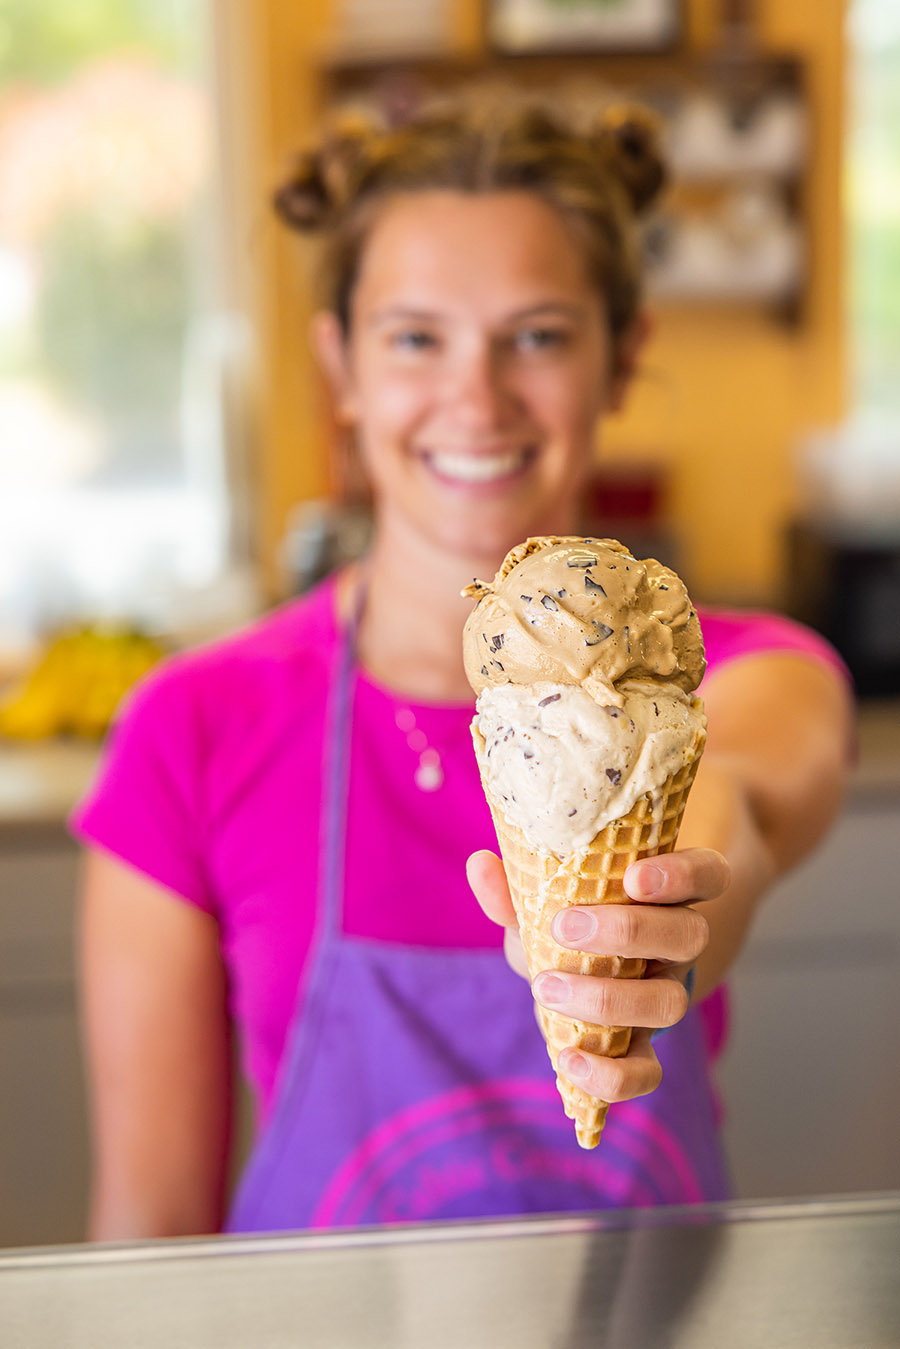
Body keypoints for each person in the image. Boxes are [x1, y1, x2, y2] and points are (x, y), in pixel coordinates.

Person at [73, 89, 853, 1238]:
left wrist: (651, 914)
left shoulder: (746, 670)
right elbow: (146, 1229)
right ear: (339, 364)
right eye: (415, 337)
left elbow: (731, 786)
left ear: (621, 356)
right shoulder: (190, 728)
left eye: (537, 334)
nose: (476, 399)